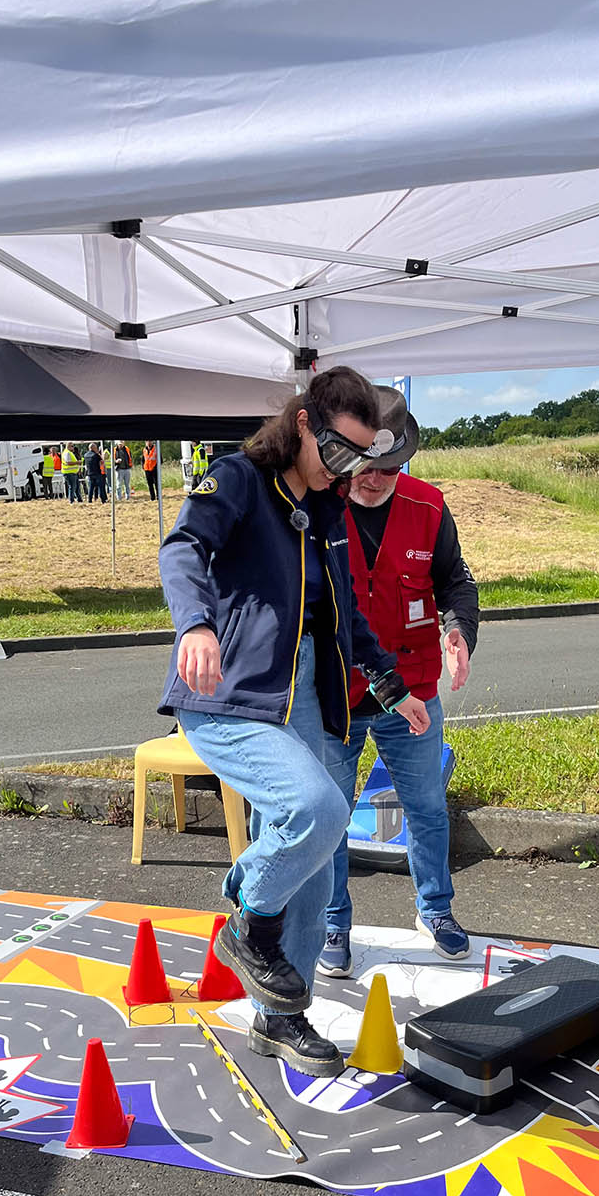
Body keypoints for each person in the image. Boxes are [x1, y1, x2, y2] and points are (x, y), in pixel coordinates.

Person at [159, 366, 429, 1077]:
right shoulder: (242, 478)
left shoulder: (328, 511)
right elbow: (183, 548)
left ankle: (280, 1016)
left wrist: (393, 685)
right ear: (305, 422)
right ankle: (245, 915)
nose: (347, 470)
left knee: (321, 844)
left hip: (308, 693)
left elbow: (345, 617)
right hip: (227, 692)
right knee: (313, 807)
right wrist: (195, 625)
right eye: (339, 451)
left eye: (360, 458)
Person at [318, 387, 479, 977]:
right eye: (363, 465)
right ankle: (333, 923)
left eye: (387, 467)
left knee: (427, 807)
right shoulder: (316, 506)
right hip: (336, 692)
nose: (373, 479)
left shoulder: (430, 508)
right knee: (329, 814)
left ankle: (436, 910)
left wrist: (458, 630)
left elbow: (455, 582)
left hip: (411, 691)